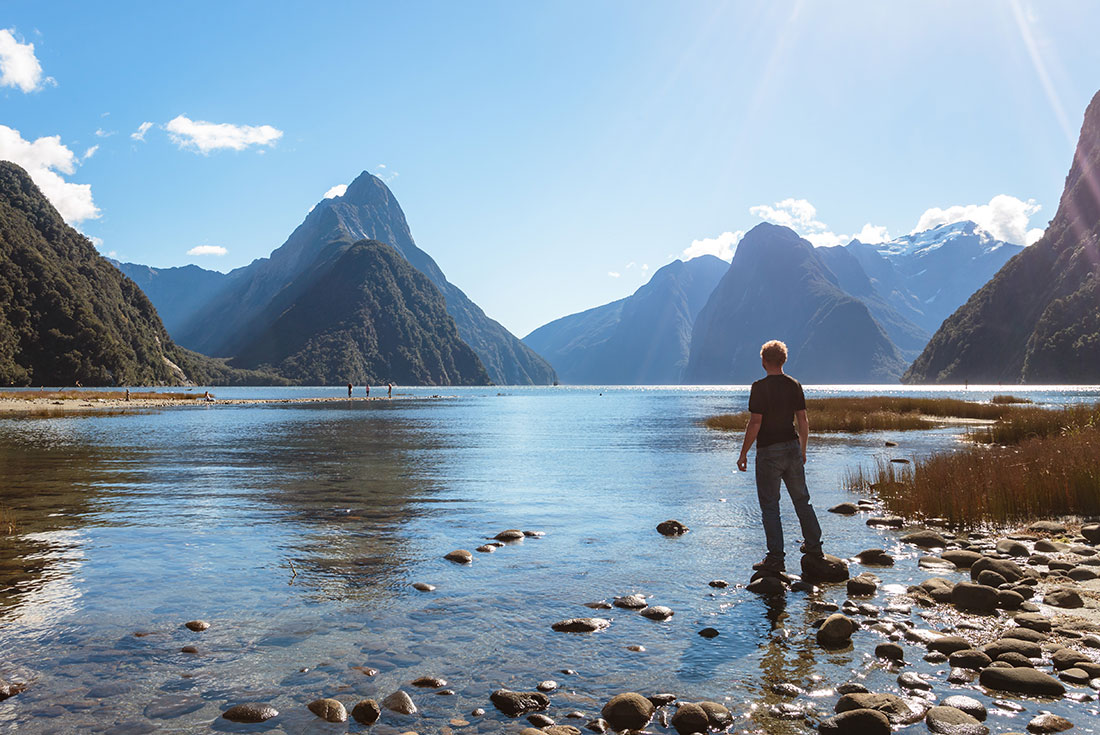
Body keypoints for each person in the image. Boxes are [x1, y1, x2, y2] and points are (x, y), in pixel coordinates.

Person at [736, 339, 823, 574]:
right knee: (802, 500)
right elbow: (802, 420)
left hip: (768, 453)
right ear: (784, 360)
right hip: (792, 448)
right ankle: (814, 547)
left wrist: (743, 453)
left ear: (764, 361)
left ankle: (776, 558)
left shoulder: (759, 387)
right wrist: (802, 448)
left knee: (770, 506)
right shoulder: (794, 385)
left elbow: (755, 423)